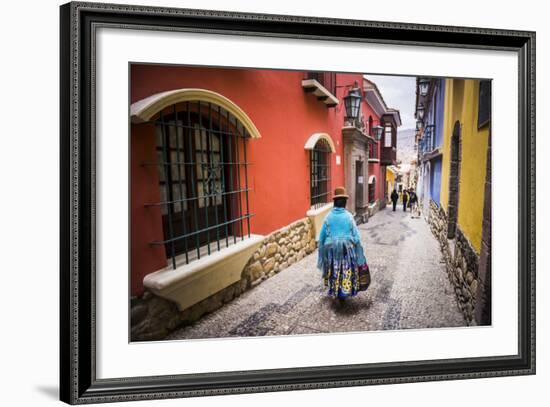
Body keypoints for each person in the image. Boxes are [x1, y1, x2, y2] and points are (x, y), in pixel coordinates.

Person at [317, 187, 367, 300]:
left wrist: (323, 250)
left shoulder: (328, 217)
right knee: (346, 270)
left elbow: (322, 237)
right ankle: (344, 291)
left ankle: (335, 289)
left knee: (334, 269)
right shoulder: (349, 217)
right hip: (346, 250)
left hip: (332, 250)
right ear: (344, 202)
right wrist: (356, 248)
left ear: (334, 202)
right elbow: (357, 237)